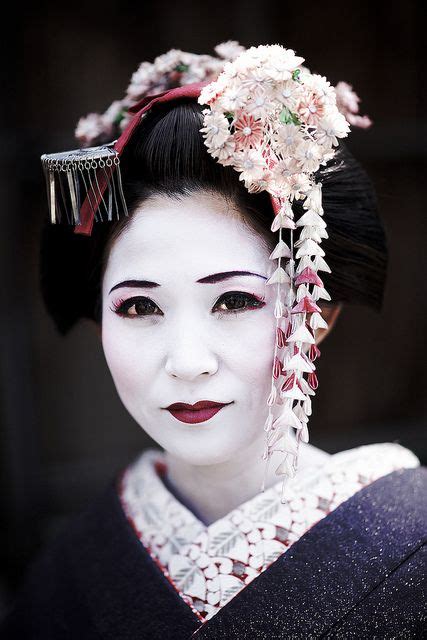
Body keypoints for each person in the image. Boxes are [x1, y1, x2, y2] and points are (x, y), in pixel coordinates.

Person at [1, 43, 425, 639]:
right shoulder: (69, 569)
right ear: (99, 319)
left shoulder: (411, 541)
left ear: (317, 310)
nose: (188, 363)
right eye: (139, 307)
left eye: (234, 301)